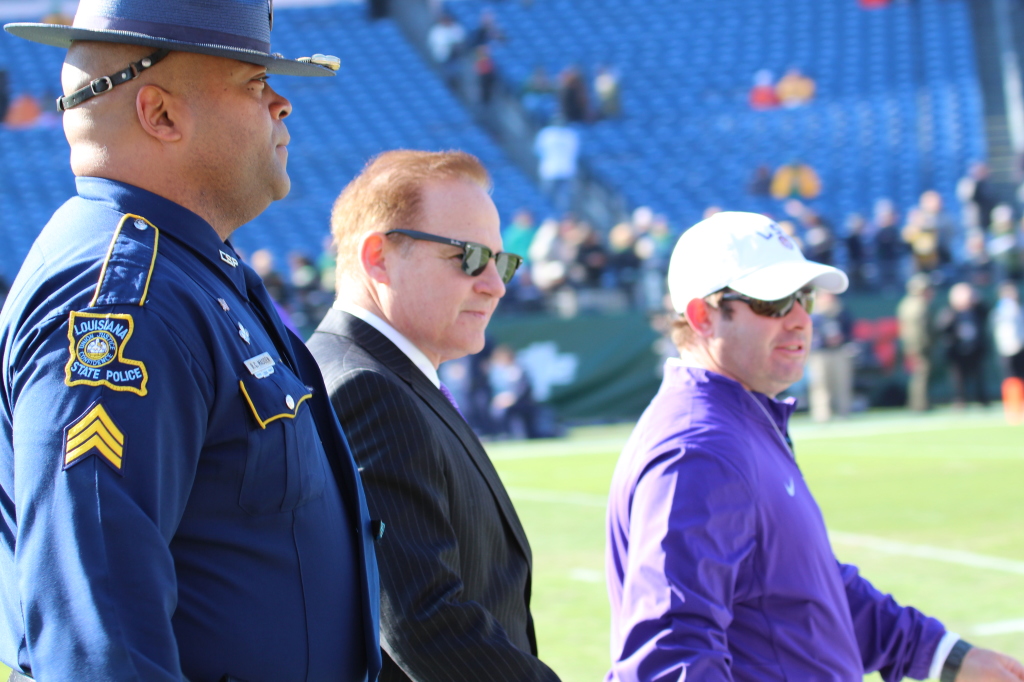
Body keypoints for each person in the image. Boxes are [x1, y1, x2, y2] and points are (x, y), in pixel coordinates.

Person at [0, 3, 381, 681]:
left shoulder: (185, 269)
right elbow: (99, 636)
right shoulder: (124, 298)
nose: (282, 103)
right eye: (254, 82)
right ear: (161, 114)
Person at [605, 211, 1024, 681]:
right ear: (703, 316)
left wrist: (945, 655)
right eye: (774, 302)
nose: (802, 319)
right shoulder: (698, 449)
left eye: (804, 297)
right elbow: (670, 658)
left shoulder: (740, 419)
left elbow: (806, 589)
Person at [307, 150, 560, 682]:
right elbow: (424, 622)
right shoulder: (367, 389)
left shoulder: (380, 375)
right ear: (378, 258)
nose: (496, 284)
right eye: (469, 257)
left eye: (503, 262)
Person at [937, 282, 991, 407]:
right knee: (958, 378)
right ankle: (960, 399)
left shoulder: (977, 310)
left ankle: (982, 399)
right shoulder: (950, 312)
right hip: (957, 350)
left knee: (978, 375)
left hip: (975, 348)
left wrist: (976, 299)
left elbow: (987, 311)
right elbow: (942, 328)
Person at [897, 273, 936, 411]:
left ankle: (918, 403)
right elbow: (920, 330)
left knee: (918, 375)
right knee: (921, 375)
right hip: (919, 346)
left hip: (913, 346)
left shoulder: (906, 303)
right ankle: (920, 404)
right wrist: (924, 345)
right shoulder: (918, 304)